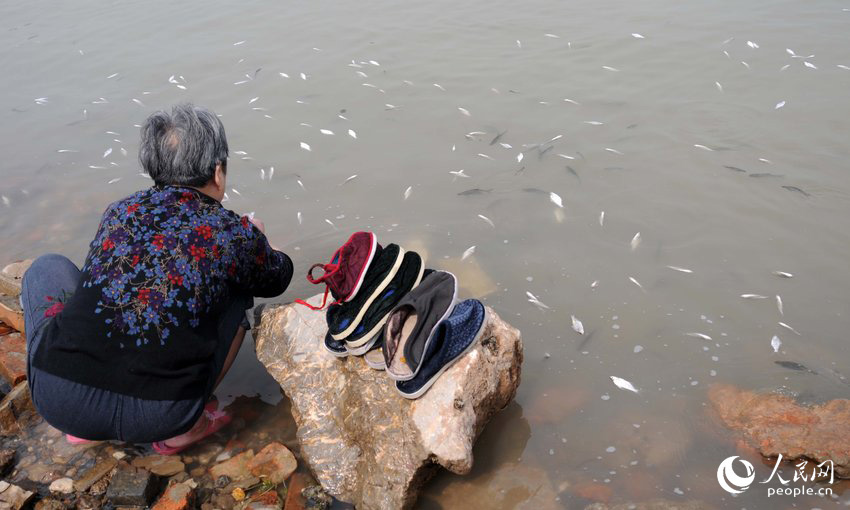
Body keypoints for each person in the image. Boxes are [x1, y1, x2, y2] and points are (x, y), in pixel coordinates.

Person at [21, 104, 293, 454]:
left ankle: (84, 428)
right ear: (218, 172)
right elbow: (277, 277)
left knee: (46, 267)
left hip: (61, 400)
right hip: (162, 414)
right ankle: (187, 428)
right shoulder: (231, 233)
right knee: (240, 290)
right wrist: (259, 241)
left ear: (153, 165)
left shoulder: (120, 211)